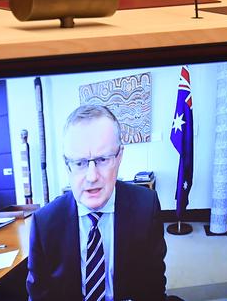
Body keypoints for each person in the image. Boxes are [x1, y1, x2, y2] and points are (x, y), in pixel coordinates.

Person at [26, 105, 167, 301]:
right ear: (67, 166)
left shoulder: (146, 207)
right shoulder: (44, 223)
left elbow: (154, 288)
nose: (92, 177)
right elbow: (39, 296)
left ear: (119, 158)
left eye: (102, 159)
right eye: (80, 163)